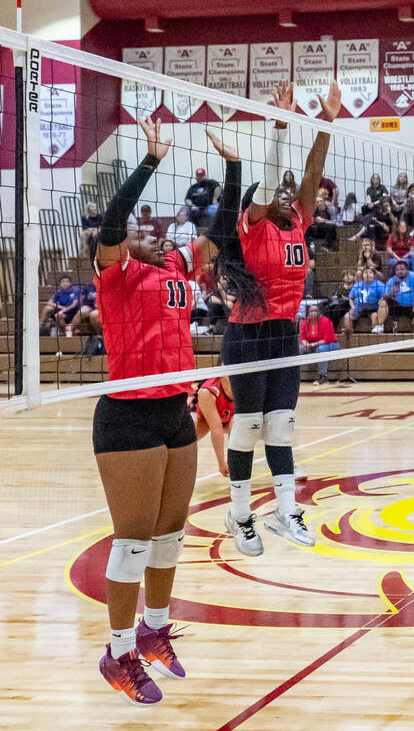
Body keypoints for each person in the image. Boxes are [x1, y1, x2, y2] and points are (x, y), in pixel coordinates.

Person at [91, 117, 235, 705]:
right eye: (138, 235)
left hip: (174, 413)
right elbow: (112, 221)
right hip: (127, 415)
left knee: (170, 537)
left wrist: (232, 166)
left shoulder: (176, 268)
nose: (151, 235)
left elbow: (221, 234)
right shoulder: (115, 275)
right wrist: (150, 159)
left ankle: (153, 631)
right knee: (133, 540)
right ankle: (119, 651)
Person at [219, 81, 339, 557]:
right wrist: (280, 128)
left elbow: (312, 172)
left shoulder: (299, 224)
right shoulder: (254, 227)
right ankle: (240, 515)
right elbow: (271, 180)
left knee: (282, 424)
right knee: (248, 425)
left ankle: (285, 512)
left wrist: (325, 124)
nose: (290, 192)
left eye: (293, 190)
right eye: (280, 190)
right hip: (247, 335)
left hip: (283, 334)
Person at [190, 376, 235, 477]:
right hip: (203, 418)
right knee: (187, 438)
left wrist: (231, 460)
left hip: (229, 419)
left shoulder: (245, 384)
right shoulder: (208, 390)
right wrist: (221, 464)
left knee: (238, 423)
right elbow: (216, 427)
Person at [300, 304, 339, 386]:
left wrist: (312, 345)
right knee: (299, 348)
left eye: (315, 311)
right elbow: (303, 338)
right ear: (308, 313)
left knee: (320, 349)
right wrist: (306, 345)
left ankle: (323, 377)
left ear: (319, 312)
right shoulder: (305, 322)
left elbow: (326, 339)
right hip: (313, 345)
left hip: (331, 344)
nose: (313, 313)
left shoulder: (326, 321)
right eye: (311, 311)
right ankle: (295, 376)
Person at [383, 259, 414, 333]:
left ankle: (413, 333)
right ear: (395, 271)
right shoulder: (392, 280)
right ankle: (391, 329)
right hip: (398, 307)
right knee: (384, 302)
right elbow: (386, 295)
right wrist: (391, 294)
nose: (400, 271)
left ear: (407, 270)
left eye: (402, 269)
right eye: (397, 270)